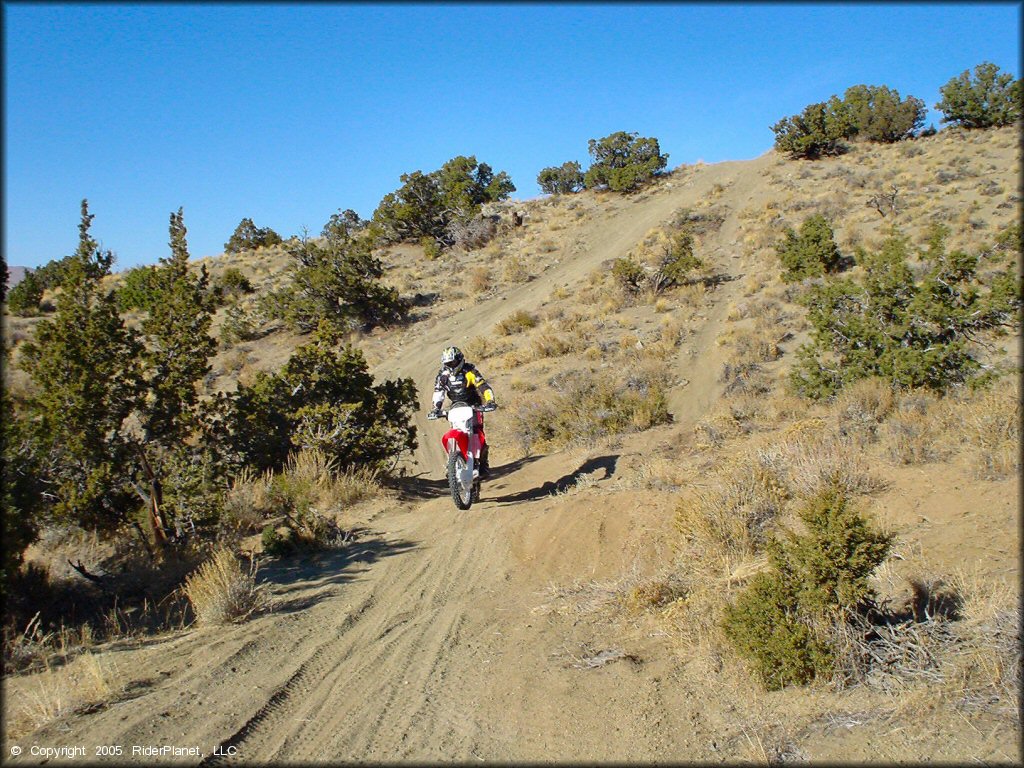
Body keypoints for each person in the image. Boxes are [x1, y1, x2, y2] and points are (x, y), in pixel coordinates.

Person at [429, 346, 497, 476]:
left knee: (477, 431)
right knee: (456, 430)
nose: (451, 365)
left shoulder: (469, 371)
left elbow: (483, 386)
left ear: (460, 359)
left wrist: (490, 401)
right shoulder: (443, 376)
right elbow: (438, 393)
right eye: (448, 363)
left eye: (453, 362)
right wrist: (435, 409)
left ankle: (483, 462)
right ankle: (452, 462)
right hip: (456, 407)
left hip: (474, 405)